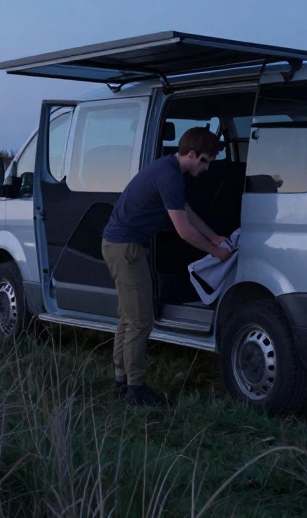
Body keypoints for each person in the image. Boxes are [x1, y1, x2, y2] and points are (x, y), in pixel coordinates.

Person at [101, 127, 234, 407]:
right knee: (140, 320)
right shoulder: (169, 175)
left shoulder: (169, 171)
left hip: (120, 245)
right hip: (126, 249)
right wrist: (216, 252)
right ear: (191, 154)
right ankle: (135, 389)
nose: (207, 168)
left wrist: (213, 236)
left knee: (128, 317)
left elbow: (183, 210)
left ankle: (122, 382)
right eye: (205, 161)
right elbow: (184, 231)